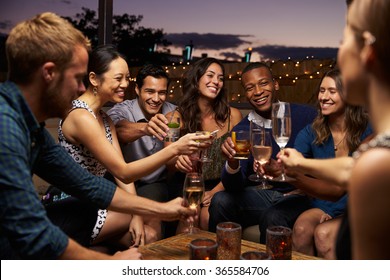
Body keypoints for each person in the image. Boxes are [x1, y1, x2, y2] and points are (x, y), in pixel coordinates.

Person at [0, 12, 200, 260]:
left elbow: (89, 185)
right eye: (76, 77)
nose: (82, 88)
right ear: (48, 74)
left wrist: (163, 209)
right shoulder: (5, 128)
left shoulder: (31, 127)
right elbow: (31, 232)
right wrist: (108, 264)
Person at [280, 0, 390, 259]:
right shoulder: (377, 148)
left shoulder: (377, 158)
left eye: (345, 40)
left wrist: (299, 167)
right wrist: (298, 164)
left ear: (367, 55)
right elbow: (349, 169)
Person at [208, 62, 317, 243]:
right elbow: (235, 186)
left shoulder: (305, 115)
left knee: (273, 216)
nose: (258, 92)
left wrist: (306, 186)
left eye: (263, 83)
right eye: (250, 88)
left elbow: (324, 157)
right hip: (264, 194)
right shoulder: (242, 129)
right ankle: (223, 260)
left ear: (275, 85)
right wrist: (233, 162)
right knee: (220, 200)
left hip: (299, 194)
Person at [290, 68, 371, 259]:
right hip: (324, 203)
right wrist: (279, 166)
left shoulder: (369, 131)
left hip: (357, 206)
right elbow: (294, 161)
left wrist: (338, 216)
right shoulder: (312, 131)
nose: (324, 97)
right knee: (301, 228)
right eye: (321, 90)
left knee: (323, 233)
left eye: (332, 91)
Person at [168, 57, 242, 231]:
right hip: (187, 183)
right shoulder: (175, 118)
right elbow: (168, 159)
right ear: (196, 79)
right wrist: (177, 158)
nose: (216, 81)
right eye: (210, 75)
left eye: (220, 78)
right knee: (189, 219)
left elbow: (240, 162)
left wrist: (215, 191)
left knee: (207, 217)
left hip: (221, 184)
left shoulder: (234, 116)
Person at [106, 64, 175, 238]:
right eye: (150, 91)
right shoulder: (122, 109)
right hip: (121, 181)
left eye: (162, 92)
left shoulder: (173, 112)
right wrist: (146, 127)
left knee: (151, 215)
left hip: (154, 183)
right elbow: (118, 130)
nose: (156, 98)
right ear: (137, 89)